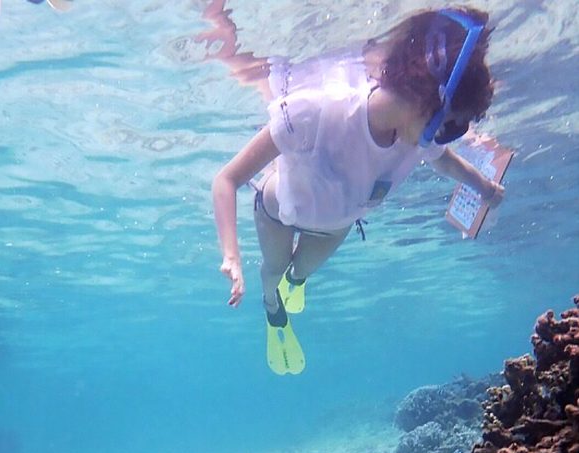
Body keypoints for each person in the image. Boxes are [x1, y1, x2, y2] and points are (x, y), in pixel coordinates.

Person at [207, 4, 506, 373]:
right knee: (273, 270)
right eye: (452, 127)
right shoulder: (313, 112)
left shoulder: (420, 135)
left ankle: (295, 282)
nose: (447, 138)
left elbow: (445, 160)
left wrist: (485, 187)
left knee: (299, 272)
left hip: (335, 227)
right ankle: (273, 311)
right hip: (278, 211)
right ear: (427, 104)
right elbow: (227, 179)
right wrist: (231, 256)